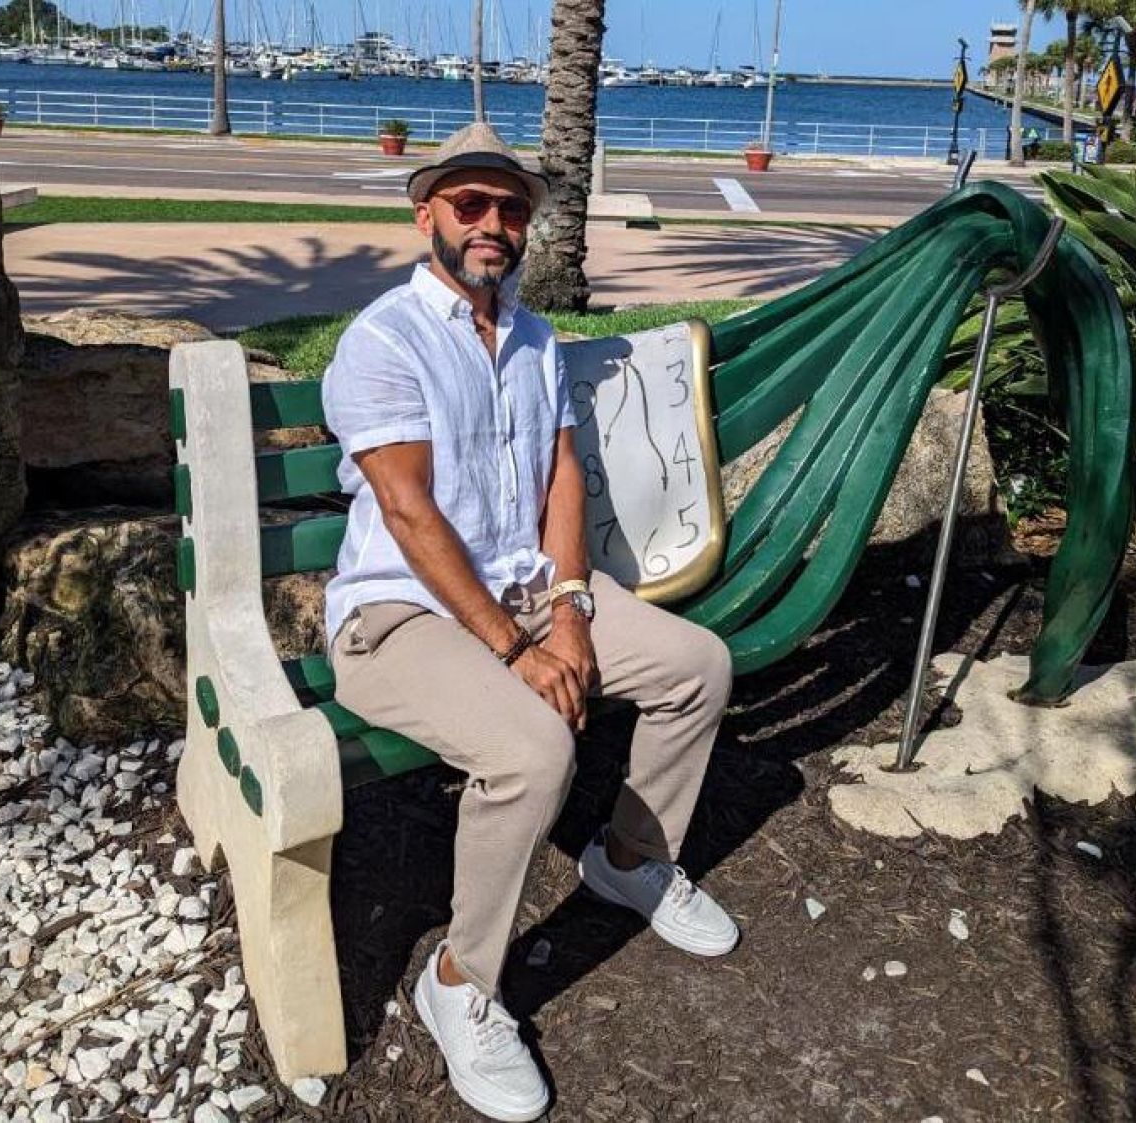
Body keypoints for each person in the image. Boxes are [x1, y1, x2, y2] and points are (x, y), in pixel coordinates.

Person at [321, 122, 737, 1122]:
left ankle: (629, 859)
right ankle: (460, 983)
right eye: (471, 204)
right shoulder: (382, 340)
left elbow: (562, 474)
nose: (493, 223)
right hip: (398, 615)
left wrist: (573, 613)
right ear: (427, 215)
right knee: (534, 748)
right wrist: (518, 650)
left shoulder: (536, 337)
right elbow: (411, 515)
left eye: (511, 207)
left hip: (520, 596)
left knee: (697, 664)